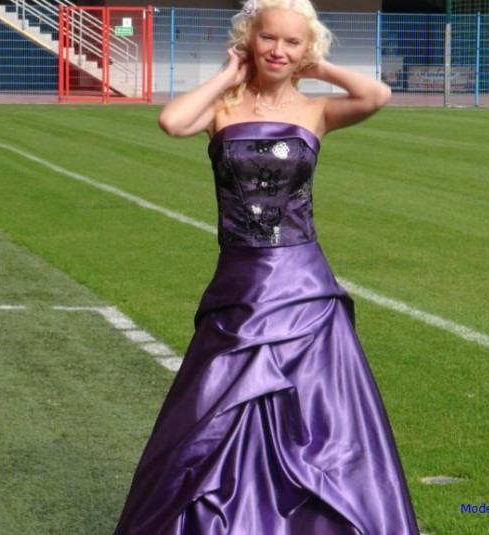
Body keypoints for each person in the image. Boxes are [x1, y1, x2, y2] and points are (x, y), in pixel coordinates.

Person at [114, 0, 418, 533]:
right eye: (268, 38)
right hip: (239, 284)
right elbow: (172, 121)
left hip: (304, 286)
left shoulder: (317, 111)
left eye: (292, 42)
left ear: (307, 49)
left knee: (317, 423)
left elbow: (377, 94)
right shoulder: (221, 109)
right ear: (248, 40)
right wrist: (227, 76)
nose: (278, 50)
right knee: (215, 413)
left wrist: (317, 67)